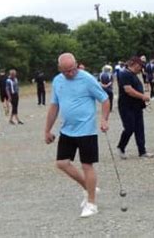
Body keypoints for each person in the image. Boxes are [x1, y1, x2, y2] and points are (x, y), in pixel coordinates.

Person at [45, 52, 110, 218]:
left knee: (87, 165)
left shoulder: (87, 79)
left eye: (72, 69)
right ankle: (88, 187)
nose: (70, 73)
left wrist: (104, 119)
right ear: (60, 69)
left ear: (76, 65)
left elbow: (104, 99)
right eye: (66, 71)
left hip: (87, 130)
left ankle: (92, 203)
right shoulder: (57, 81)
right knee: (62, 163)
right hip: (67, 130)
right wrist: (47, 130)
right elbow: (54, 106)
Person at [117, 56, 154, 159]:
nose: (141, 69)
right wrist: (143, 96)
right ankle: (121, 147)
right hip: (126, 106)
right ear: (136, 65)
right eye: (140, 67)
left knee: (139, 129)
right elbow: (128, 90)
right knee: (129, 128)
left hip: (137, 106)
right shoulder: (124, 74)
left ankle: (142, 151)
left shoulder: (133, 75)